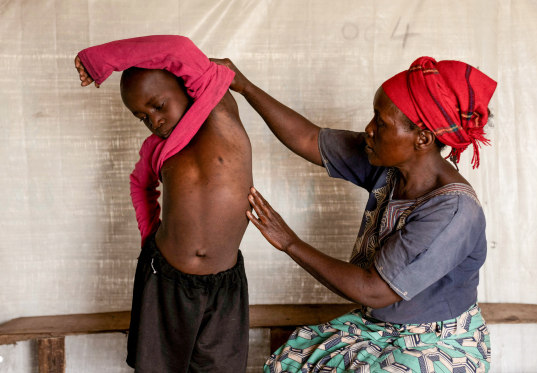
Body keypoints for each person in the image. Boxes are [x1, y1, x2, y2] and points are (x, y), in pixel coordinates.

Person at [212, 56, 496, 372]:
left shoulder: (453, 211)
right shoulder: (389, 166)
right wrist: (244, 86)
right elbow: (309, 139)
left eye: (381, 122)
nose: (368, 130)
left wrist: (289, 243)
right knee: (288, 363)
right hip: (382, 329)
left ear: (423, 139)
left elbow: (372, 290)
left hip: (437, 343)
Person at [75, 35, 253, 372]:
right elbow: (139, 185)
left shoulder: (217, 105)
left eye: (158, 105)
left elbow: (178, 49)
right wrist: (150, 234)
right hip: (165, 279)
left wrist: (100, 59)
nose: (153, 120)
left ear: (186, 84)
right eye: (142, 117)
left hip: (224, 282)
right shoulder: (156, 149)